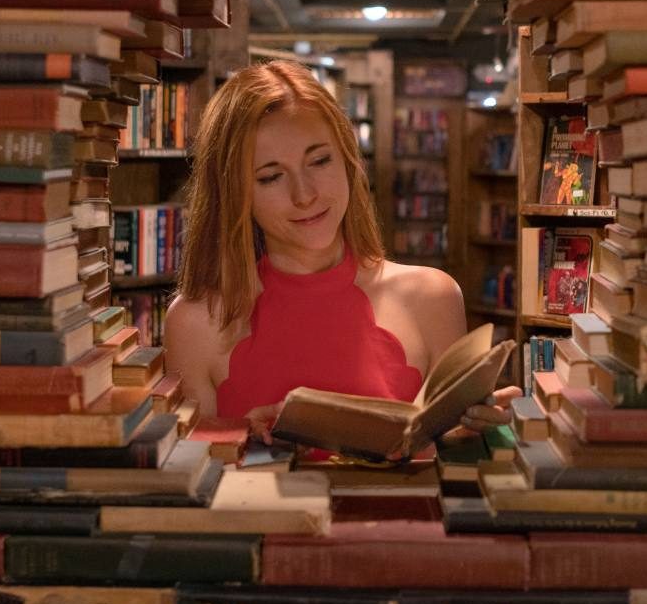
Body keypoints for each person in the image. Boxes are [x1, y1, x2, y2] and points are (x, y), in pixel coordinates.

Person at [163, 60, 520, 451]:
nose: (305, 194)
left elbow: (444, 457)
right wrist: (240, 438)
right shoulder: (194, 322)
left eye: (319, 161)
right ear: (234, 195)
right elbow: (188, 486)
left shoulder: (432, 297)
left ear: (349, 160)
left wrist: (466, 430)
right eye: (271, 176)